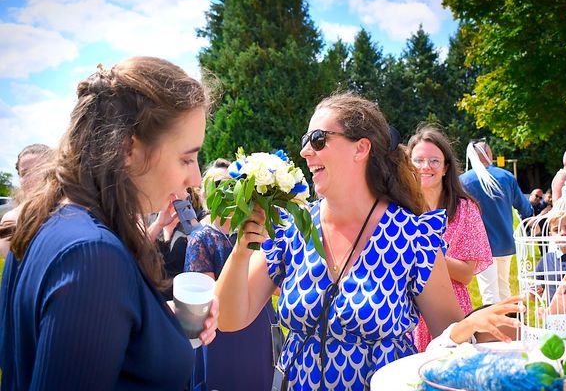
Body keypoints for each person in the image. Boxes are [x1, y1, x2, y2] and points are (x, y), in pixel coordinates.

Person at [214, 92, 523, 391]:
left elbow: (448, 337)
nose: (306, 152)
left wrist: (475, 329)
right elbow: (229, 320)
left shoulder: (411, 237)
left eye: (318, 140)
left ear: (360, 148)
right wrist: (242, 251)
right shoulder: (292, 228)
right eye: (304, 141)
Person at [0, 57, 218, 390]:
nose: (195, 177)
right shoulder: (93, 257)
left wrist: (161, 324)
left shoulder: (46, 220)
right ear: (129, 147)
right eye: (186, 158)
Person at [184, 159, 277, 391]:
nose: (224, 190)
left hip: (257, 331)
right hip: (222, 339)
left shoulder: (254, 233)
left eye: (231, 184)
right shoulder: (201, 238)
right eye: (216, 184)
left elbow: (275, 286)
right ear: (206, 193)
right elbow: (205, 302)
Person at [407, 125, 492, 351]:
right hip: (407, 313)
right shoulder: (397, 209)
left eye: (434, 161)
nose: (426, 167)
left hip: (451, 311)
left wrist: (427, 255)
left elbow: (466, 274)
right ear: (408, 165)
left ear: (445, 168)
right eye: (418, 160)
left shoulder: (466, 209)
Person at [460, 139, 533, 305]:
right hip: (506, 241)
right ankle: (510, 325)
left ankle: (495, 330)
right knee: (504, 289)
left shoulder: (464, 181)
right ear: (489, 154)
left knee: (489, 293)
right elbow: (525, 208)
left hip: (482, 245)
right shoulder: (506, 176)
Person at [0, 144, 54, 257]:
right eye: (25, 173)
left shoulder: (71, 211)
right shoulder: (11, 219)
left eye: (39, 170)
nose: (33, 178)